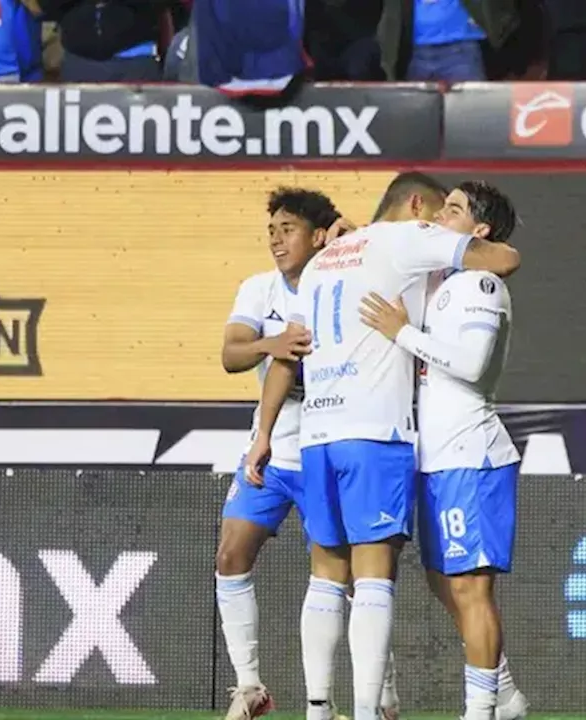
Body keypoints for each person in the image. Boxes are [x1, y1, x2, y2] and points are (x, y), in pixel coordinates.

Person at [244, 172, 520, 720]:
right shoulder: (408, 243)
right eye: (437, 212)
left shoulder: (327, 257)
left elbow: (288, 352)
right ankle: (372, 711)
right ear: (417, 206)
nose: (438, 223)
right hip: (376, 433)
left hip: (318, 435)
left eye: (452, 213)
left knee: (326, 577)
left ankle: (318, 710)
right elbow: (506, 259)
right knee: (375, 578)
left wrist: (264, 432)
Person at [218, 188, 399, 720]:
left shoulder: (344, 283)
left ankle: (378, 692)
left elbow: (380, 250)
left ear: (319, 234)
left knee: (351, 580)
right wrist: (267, 345)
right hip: (274, 451)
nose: (276, 239)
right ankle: (250, 687)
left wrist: (350, 229)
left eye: (288, 228)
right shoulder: (258, 289)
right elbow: (231, 353)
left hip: (332, 445)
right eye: (271, 230)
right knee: (231, 555)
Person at [357, 182, 527, 720]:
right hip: (434, 457)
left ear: (479, 232)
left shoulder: (479, 284)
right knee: (441, 580)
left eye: (452, 210)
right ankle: (503, 692)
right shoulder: (437, 283)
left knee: (470, 589)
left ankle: (481, 712)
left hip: (470, 454)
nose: (438, 216)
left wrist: (403, 334)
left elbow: (472, 366)